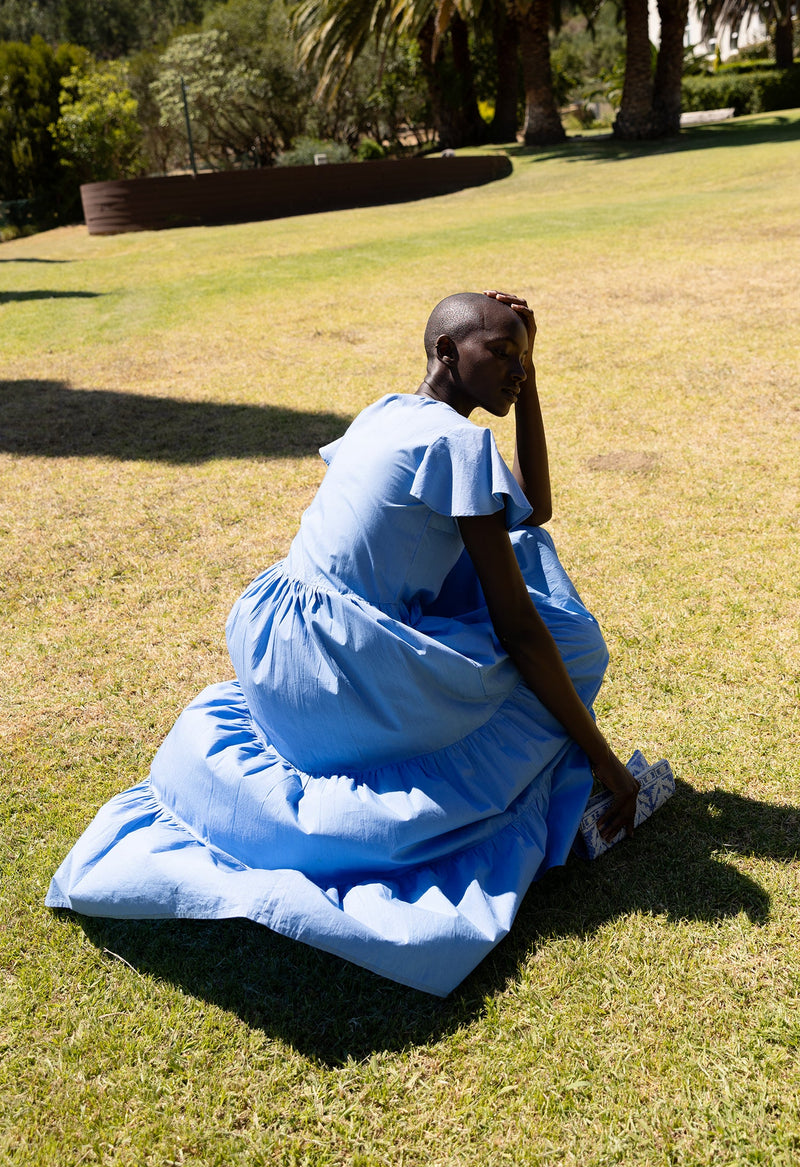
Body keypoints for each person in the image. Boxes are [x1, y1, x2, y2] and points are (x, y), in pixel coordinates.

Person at [47, 290, 640, 997]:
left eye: (526, 358)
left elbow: (530, 509)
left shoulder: (386, 412)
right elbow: (520, 629)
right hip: (340, 674)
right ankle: (487, 817)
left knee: (520, 557)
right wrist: (605, 760)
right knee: (566, 642)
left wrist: (529, 376)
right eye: (502, 354)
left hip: (277, 652)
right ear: (448, 352)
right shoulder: (459, 442)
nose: (517, 370)